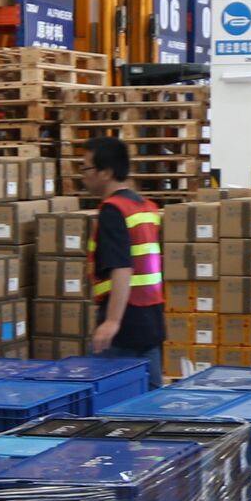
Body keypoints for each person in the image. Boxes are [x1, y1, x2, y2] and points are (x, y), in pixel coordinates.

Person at [81, 136, 167, 387]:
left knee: (109, 403)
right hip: (151, 321)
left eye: (86, 168)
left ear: (105, 172)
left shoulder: (113, 211)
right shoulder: (145, 208)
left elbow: (122, 267)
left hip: (124, 327)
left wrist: (111, 322)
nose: (83, 176)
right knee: (149, 405)